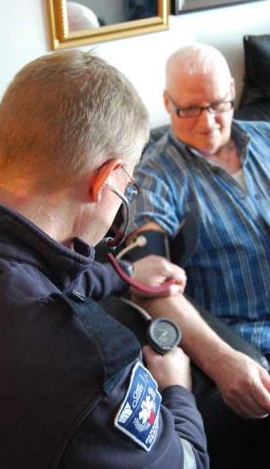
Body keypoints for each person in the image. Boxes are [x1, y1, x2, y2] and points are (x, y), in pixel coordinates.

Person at [0, 50, 208, 468]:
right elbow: (188, 464)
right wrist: (177, 390)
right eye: (129, 182)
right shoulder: (93, 366)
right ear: (105, 180)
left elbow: (21, 283)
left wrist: (124, 275)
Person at [128, 43, 270, 468]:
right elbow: (147, 286)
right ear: (167, 104)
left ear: (232, 91)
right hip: (251, 334)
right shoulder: (156, 177)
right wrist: (223, 359)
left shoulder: (265, 139)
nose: (208, 123)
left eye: (218, 105)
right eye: (189, 109)